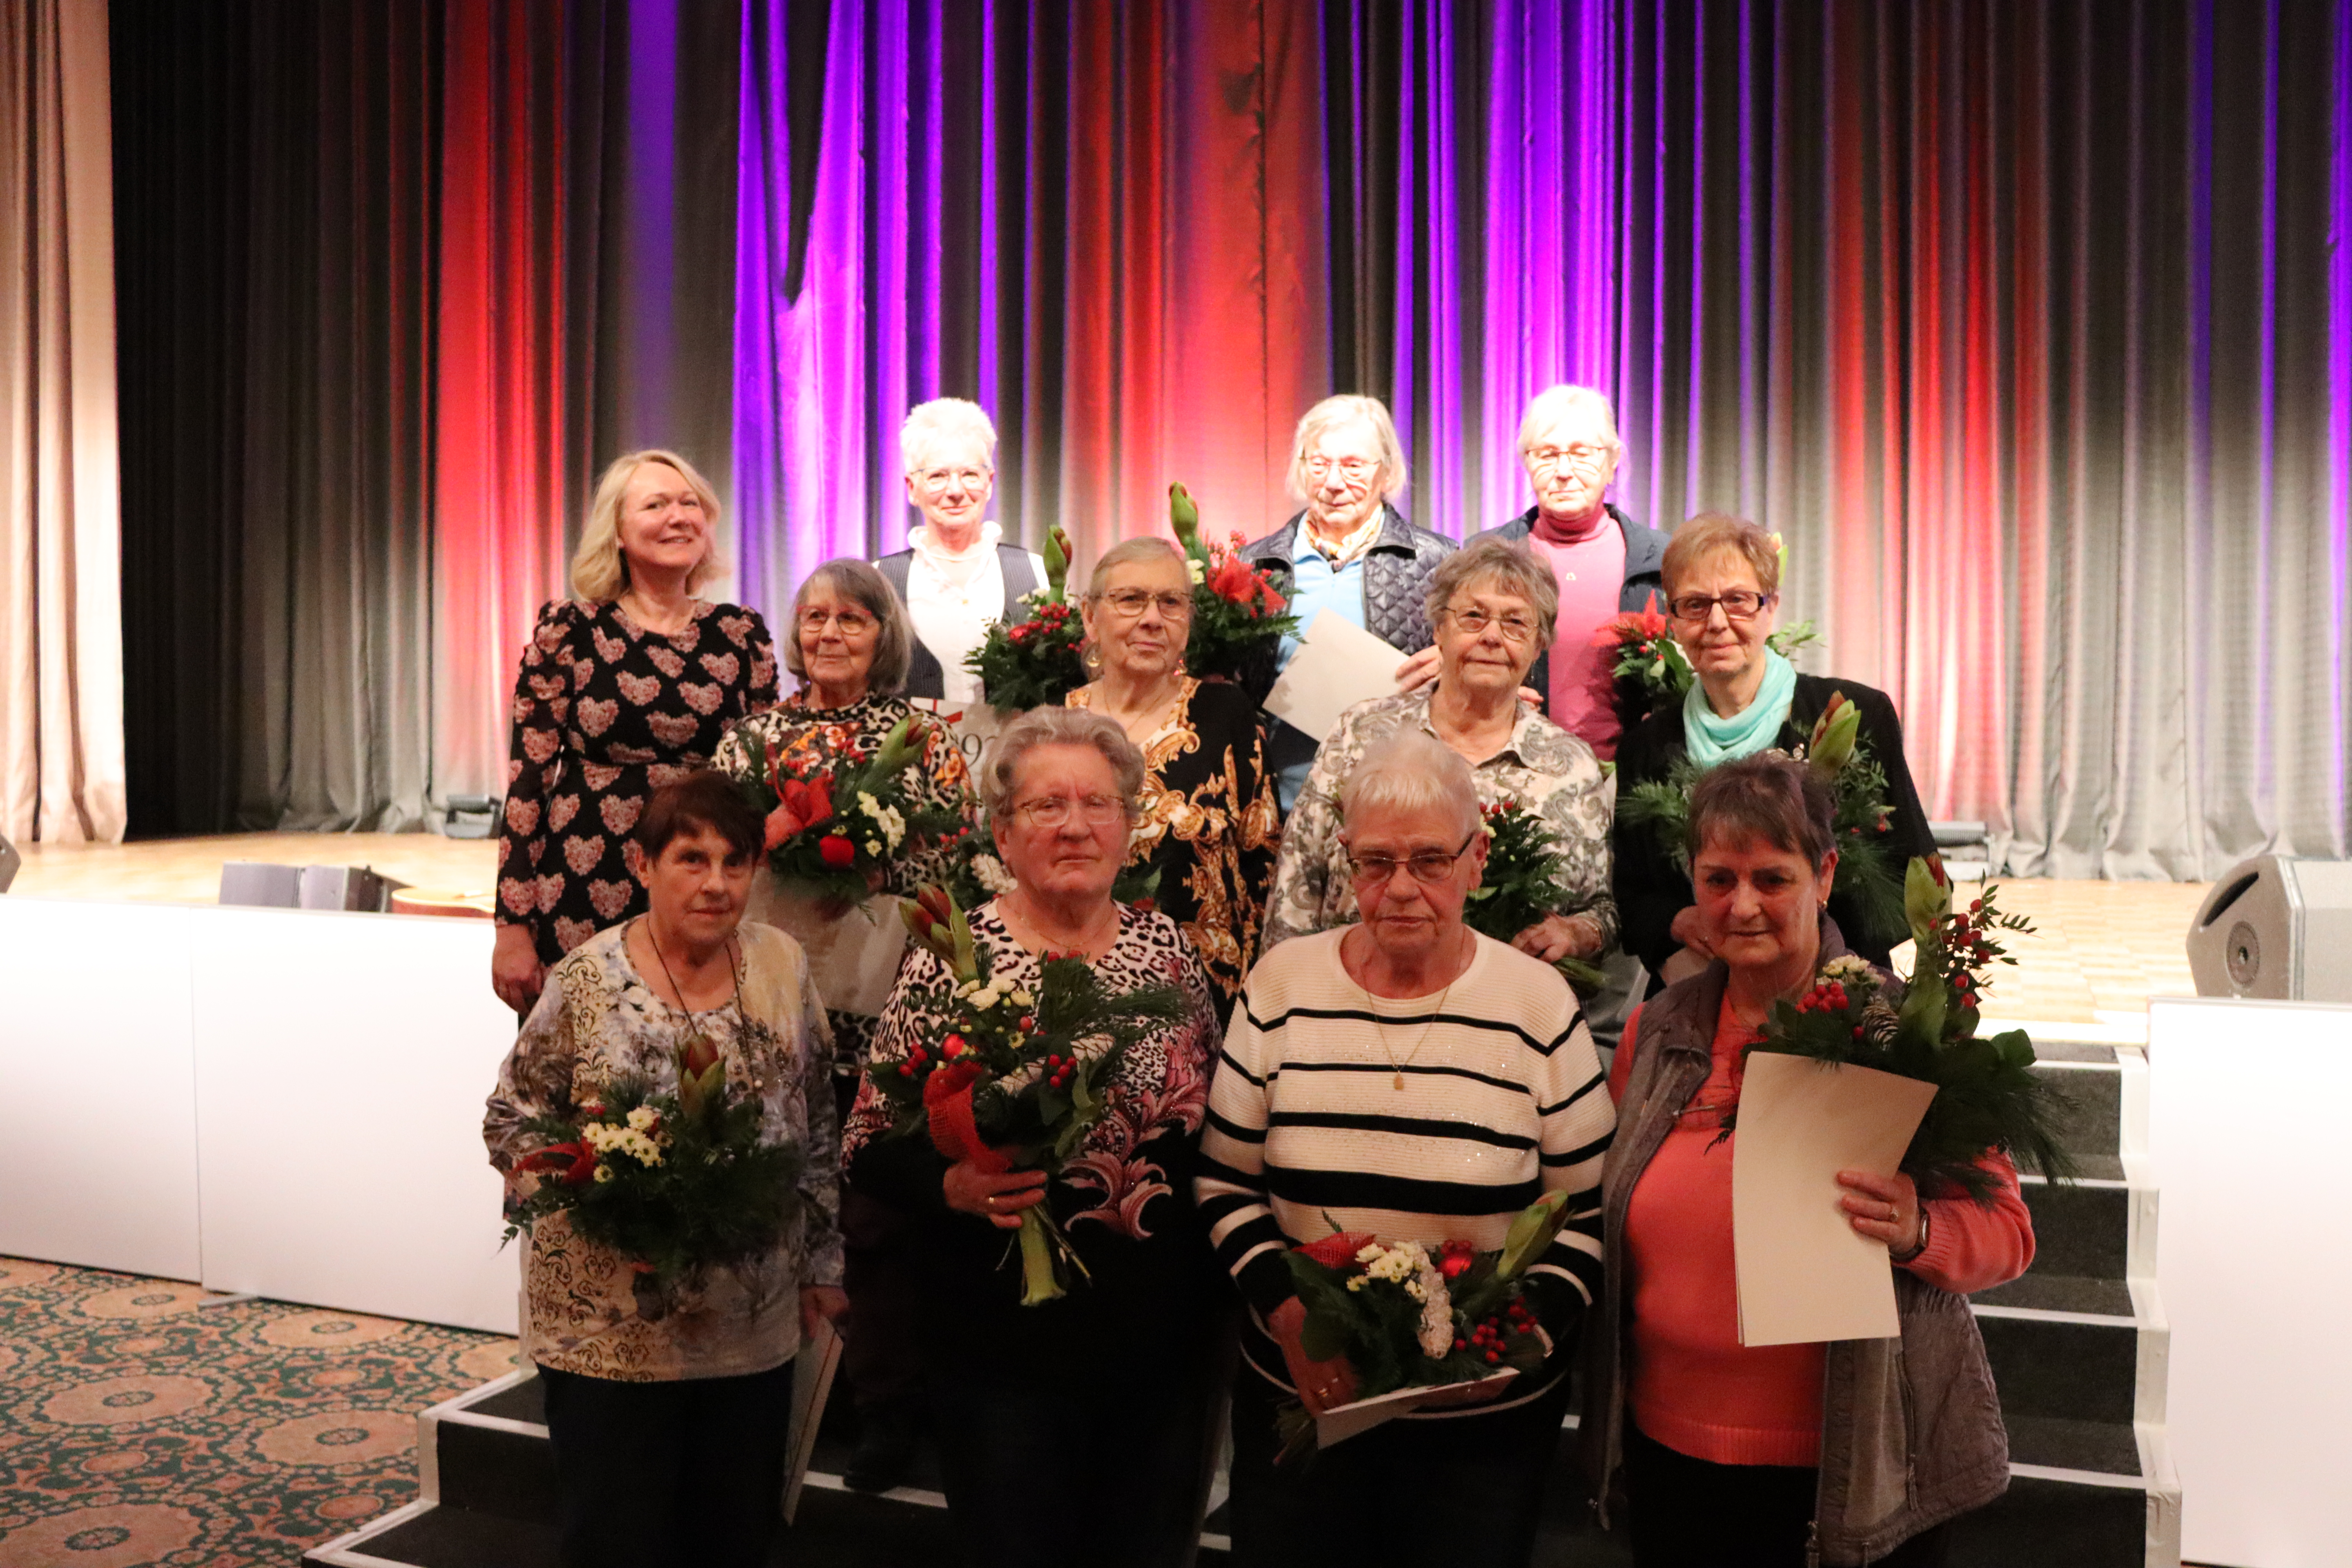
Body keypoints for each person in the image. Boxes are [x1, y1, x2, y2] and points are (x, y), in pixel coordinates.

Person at [1582, 754, 2033, 1566]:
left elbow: (2006, 1231)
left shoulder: (1902, 1029)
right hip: (1669, 1456)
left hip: (1849, 1473)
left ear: (1825, 873)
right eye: (1718, 878)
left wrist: (1916, 1226)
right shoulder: (1659, 1031)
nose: (1742, 904)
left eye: (1772, 877)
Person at [1198, 732, 1614, 1568]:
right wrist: (1287, 1311)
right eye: (1375, 861)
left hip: (1481, 1428)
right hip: (1307, 1395)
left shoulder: (1535, 1002)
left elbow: (1586, 1207)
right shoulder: (1282, 984)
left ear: (1477, 858)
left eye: (1430, 859)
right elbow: (1223, 1180)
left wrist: (1522, 1331)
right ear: (1344, 859)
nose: (1400, 889)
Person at [842, 706, 1225, 1568]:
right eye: (1048, 805)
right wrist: (950, 1186)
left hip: (1158, 1351)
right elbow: (866, 1140)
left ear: (1131, 825)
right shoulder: (954, 958)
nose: (1077, 824)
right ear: (1004, 834)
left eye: (1099, 802)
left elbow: (1217, 1131)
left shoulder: (1169, 950)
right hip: (1001, 1353)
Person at [483, 773, 845, 1568]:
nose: (716, 882)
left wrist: (824, 1264)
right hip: (609, 1327)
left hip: (750, 1322)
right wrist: (600, 1198)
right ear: (644, 866)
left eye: (735, 861)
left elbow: (818, 1124)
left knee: (732, 1536)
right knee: (619, 1538)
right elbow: (511, 1119)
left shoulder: (782, 963)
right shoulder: (586, 978)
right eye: (691, 858)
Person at [710, 559, 976, 1493]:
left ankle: (885, 1402)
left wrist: (875, 860)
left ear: (882, 634)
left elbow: (958, 859)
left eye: (851, 619)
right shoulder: (751, 740)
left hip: (882, 988)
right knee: (777, 1183)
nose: (829, 632)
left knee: (875, 1204)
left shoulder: (922, 735)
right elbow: (721, 861)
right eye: (815, 616)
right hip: (776, 987)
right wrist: (790, 832)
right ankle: (770, 1385)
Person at [492, 449, 780, 1013]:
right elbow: (527, 783)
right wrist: (512, 926)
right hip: (581, 884)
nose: (679, 516)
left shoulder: (740, 635)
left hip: (700, 890)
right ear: (617, 532)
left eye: (690, 503)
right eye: (656, 504)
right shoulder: (570, 630)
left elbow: (759, 781)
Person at [1614, 513, 1936, 986]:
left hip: (1835, 995)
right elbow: (1633, 894)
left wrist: (1808, 959)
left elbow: (1906, 874)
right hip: (1697, 991)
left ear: (1771, 607)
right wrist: (1676, 925)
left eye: (1739, 601)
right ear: (1674, 620)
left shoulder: (1855, 713)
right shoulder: (1646, 747)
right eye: (1696, 605)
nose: (1718, 623)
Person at [1263, 537, 1614, 964]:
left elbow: (1601, 909)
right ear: (1438, 630)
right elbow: (1298, 882)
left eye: (1516, 624)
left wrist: (1577, 932)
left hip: (1506, 1009)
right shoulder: (1361, 732)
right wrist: (1287, 993)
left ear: (1539, 645)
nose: (1491, 637)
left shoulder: (1571, 765)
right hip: (1354, 996)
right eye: (1473, 617)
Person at [1064, 536, 1281, 1018]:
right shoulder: (1058, 728)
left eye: (1170, 602)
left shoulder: (1225, 714)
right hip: (1076, 998)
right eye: (1130, 599)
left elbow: (1263, 861)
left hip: (1204, 1002)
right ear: (1090, 617)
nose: (1151, 618)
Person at [1238, 394, 1456, 810]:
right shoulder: (1256, 565)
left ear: (1387, 471)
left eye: (1354, 466)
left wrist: (1454, 662)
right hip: (1279, 803)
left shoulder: (1439, 562)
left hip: (1398, 800)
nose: (1334, 482)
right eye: (1319, 464)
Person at [1458, 384, 1668, 760]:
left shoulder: (1659, 560)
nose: (1564, 471)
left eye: (1581, 453)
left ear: (1613, 460)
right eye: (1547, 455)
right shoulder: (1483, 556)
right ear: (1526, 462)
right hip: (1511, 768)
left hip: (1631, 782)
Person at [875, 398, 1047, 706]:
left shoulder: (1036, 572)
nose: (955, 491)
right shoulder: (879, 581)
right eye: (938, 476)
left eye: (969, 474)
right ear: (912, 488)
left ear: (989, 482)